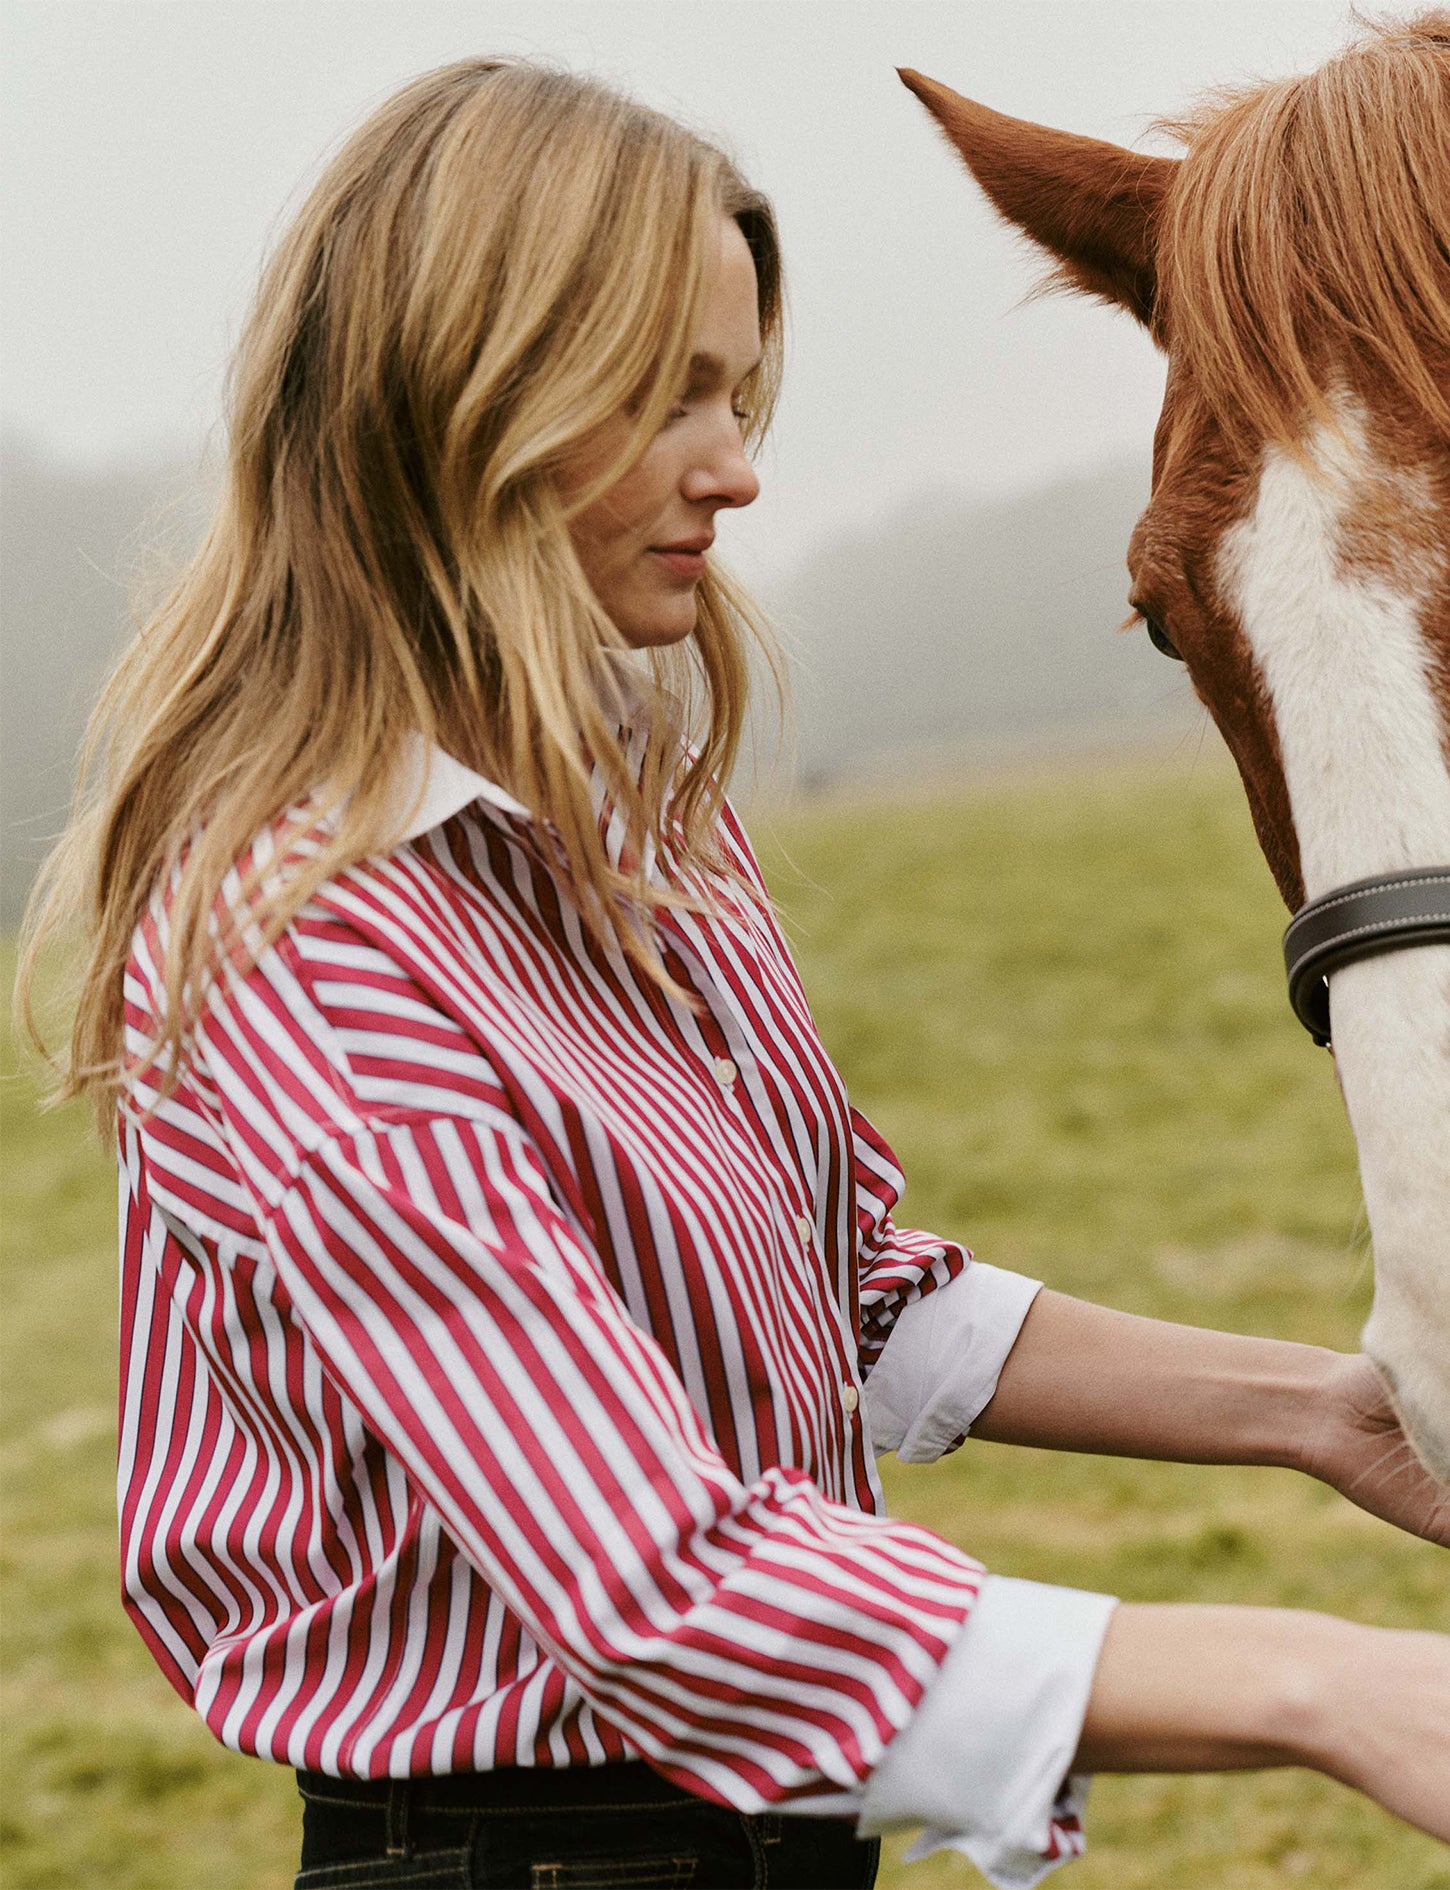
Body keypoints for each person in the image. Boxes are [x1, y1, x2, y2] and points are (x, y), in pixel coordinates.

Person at [18, 57, 1448, 1890]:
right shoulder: (309, 942)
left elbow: (826, 1286)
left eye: (741, 389)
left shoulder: (639, 829)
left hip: (773, 1836)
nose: (740, 466)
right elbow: (660, 1588)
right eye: (664, 397)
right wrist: (1334, 1686)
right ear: (461, 398)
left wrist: (1322, 1418)